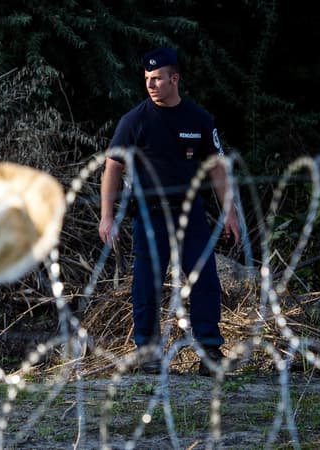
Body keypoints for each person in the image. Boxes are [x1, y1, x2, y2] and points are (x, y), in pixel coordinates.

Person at [98, 47, 241, 375]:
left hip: (190, 215)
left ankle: (209, 352)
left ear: (174, 79)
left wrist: (230, 213)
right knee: (146, 285)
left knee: (205, 280)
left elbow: (217, 169)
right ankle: (147, 354)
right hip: (150, 216)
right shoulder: (134, 120)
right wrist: (107, 216)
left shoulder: (199, 119)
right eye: (148, 78)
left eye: (158, 78)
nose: (151, 84)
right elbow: (112, 167)